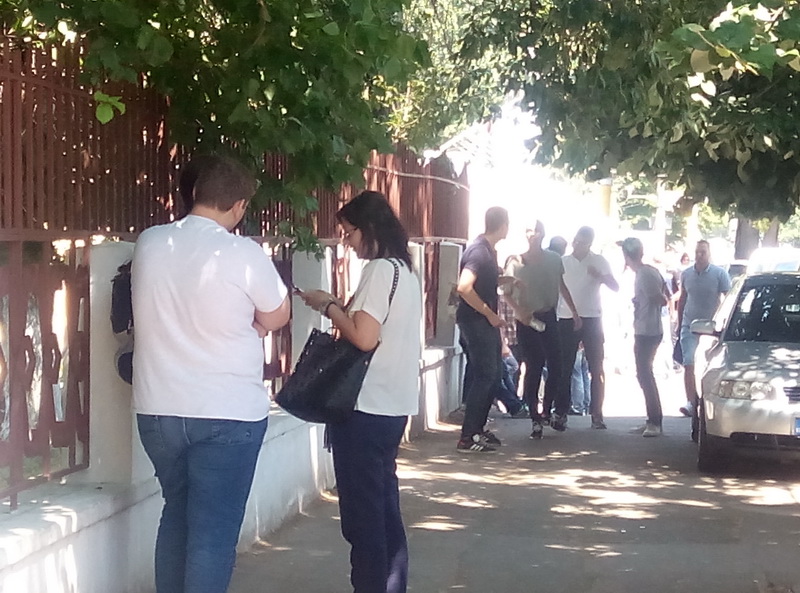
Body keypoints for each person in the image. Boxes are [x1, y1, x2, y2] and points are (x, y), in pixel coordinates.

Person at [132, 155, 291, 593]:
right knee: (212, 533)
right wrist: (255, 325)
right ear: (239, 206)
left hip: (158, 411)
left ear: (195, 193)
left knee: (176, 515)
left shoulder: (151, 242)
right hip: (228, 413)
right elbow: (277, 314)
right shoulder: (243, 253)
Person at [298, 190, 421, 593]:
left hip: (365, 408)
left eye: (350, 233)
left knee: (363, 520)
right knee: (384, 510)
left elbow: (364, 338)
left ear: (369, 229)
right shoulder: (406, 271)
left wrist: (328, 306)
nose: (347, 242)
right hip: (393, 407)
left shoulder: (380, 271)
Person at [504, 220, 581, 439]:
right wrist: (518, 310)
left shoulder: (554, 259)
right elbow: (505, 292)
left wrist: (574, 312)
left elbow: (561, 285)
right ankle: (535, 418)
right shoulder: (516, 262)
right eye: (529, 230)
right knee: (534, 366)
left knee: (557, 365)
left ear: (543, 233)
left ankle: (547, 409)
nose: (533, 234)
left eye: (537, 230)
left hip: (549, 315)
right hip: (527, 319)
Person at [455, 207, 509, 452]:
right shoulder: (479, 251)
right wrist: (489, 313)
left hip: (484, 322)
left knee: (494, 375)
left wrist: (507, 280)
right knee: (485, 375)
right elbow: (464, 287)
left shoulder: (488, 251)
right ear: (503, 225)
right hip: (476, 321)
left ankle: (477, 429)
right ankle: (468, 436)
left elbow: (484, 282)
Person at [557, 226, 619, 429]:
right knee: (565, 367)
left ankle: (596, 413)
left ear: (590, 244)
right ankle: (561, 412)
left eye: (582, 243)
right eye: (575, 241)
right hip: (566, 317)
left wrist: (600, 276)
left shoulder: (599, 261)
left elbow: (615, 286)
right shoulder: (563, 261)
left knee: (596, 367)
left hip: (592, 317)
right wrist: (573, 313)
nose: (577, 245)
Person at [677, 240, 731, 436]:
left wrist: (725, 323)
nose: (699, 256)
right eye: (697, 252)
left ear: (709, 254)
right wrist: (678, 322)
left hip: (711, 328)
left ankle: (705, 401)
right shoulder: (686, 274)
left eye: (703, 252)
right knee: (689, 363)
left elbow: (727, 299)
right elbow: (683, 298)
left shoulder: (719, 274)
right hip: (689, 326)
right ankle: (691, 402)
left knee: (708, 367)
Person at [619, 237, 669, 437]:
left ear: (627, 255)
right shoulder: (647, 272)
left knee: (645, 374)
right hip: (645, 328)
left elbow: (661, 298)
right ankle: (652, 418)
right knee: (643, 373)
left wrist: (644, 302)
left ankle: (655, 421)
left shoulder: (645, 274)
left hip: (648, 329)